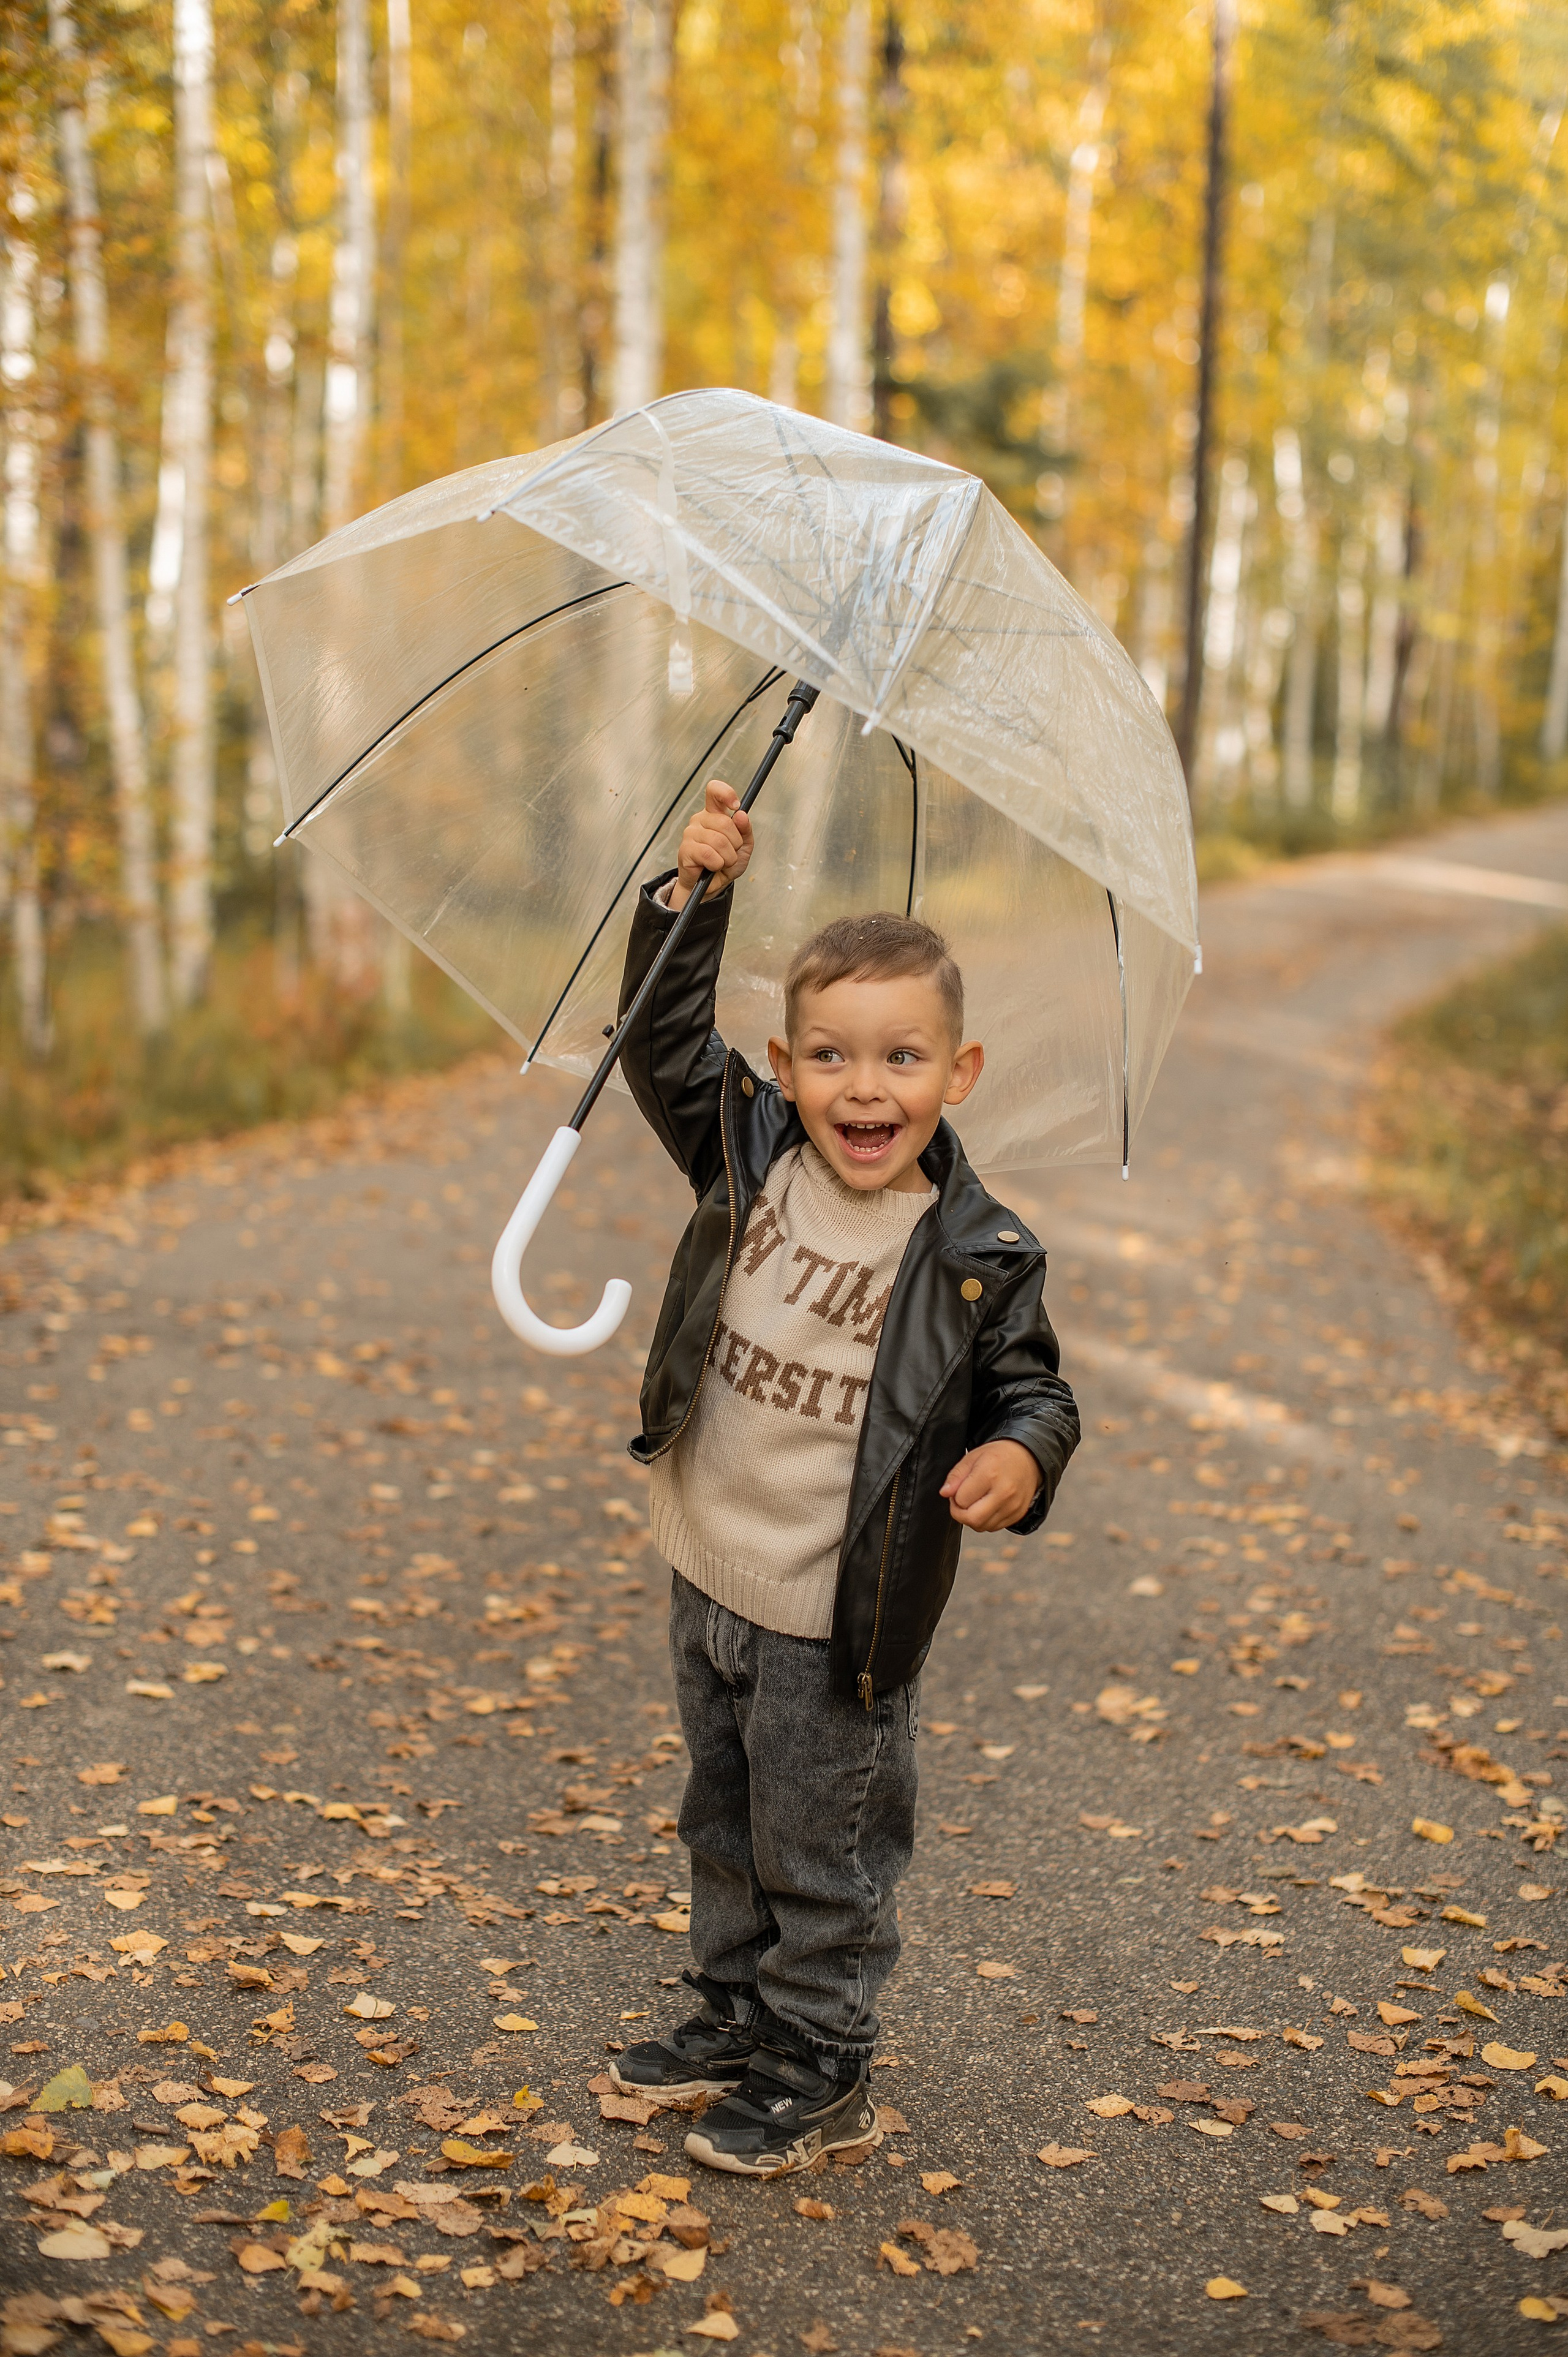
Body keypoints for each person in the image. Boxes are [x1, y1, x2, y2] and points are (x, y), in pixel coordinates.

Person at [609, 776, 1080, 2176]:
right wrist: (692, 897)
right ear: (785, 1063)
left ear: (958, 1071)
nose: (861, 1089)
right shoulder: (747, 1147)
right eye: (826, 1057)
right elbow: (661, 1050)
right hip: (708, 1560)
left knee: (823, 1839)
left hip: (836, 1610)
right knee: (721, 1812)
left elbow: (1032, 1389)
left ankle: (819, 2055)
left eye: (897, 1060)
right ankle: (737, 2007)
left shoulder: (979, 1249)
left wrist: (1018, 1451)